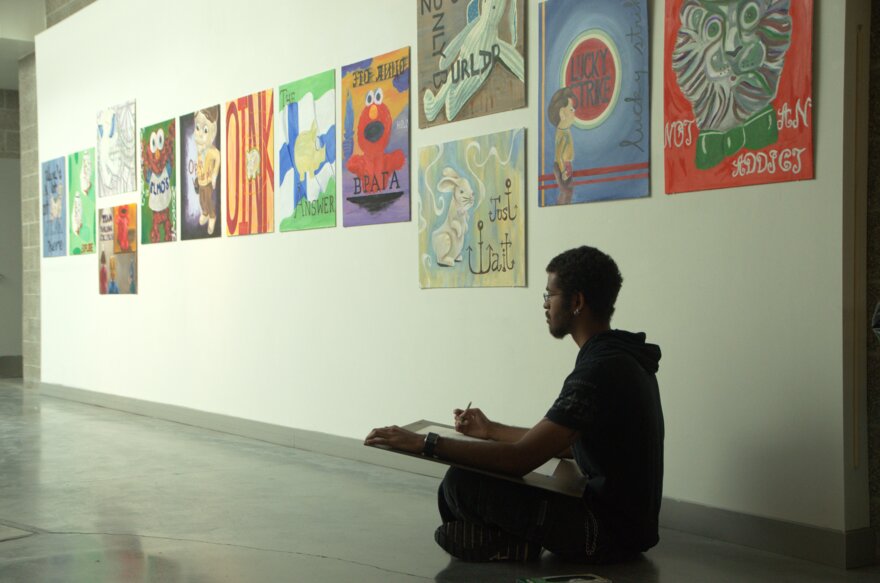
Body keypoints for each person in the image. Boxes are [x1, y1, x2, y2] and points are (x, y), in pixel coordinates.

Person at [365, 246, 664, 563]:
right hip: (628, 528)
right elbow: (563, 444)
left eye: (550, 295)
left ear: (577, 302)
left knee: (460, 485)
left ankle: (508, 543)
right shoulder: (618, 356)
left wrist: (425, 443)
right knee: (460, 485)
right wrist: (490, 430)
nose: (546, 305)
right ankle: (508, 544)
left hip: (604, 534)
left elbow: (521, 459)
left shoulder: (599, 370)